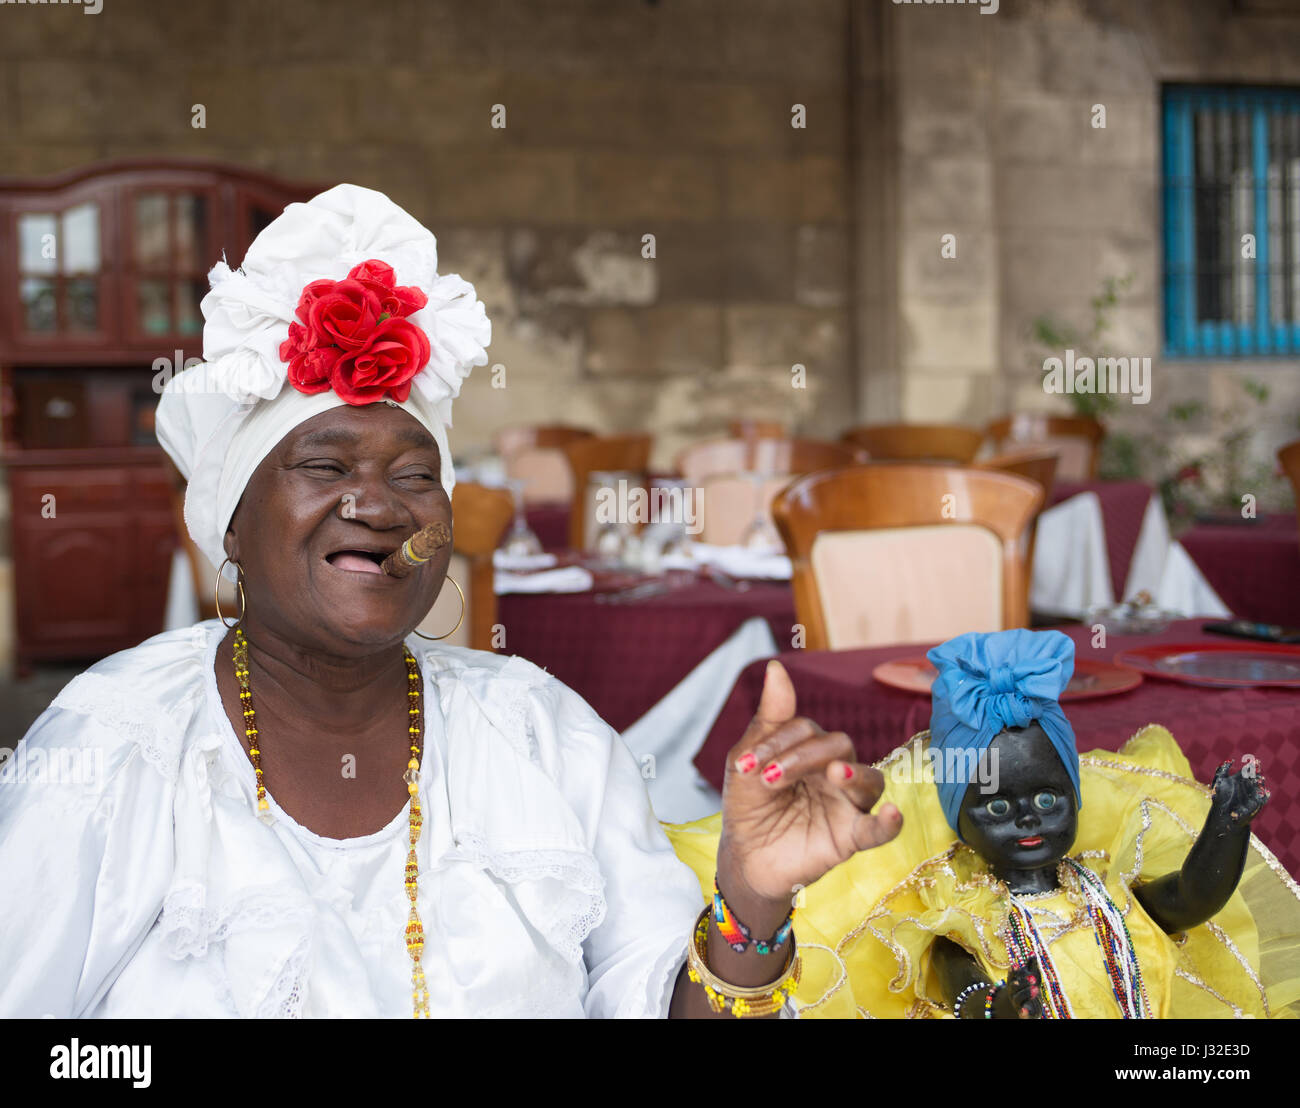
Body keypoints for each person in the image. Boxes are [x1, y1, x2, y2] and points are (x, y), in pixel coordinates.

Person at [0, 184, 902, 1018]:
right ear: (232, 526)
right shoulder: (119, 749)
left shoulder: (542, 735)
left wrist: (750, 903)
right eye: (323, 465)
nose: (379, 506)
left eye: (415, 475)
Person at [667, 629, 1300, 1018]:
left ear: (1078, 801)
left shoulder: (1106, 888)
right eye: (995, 808)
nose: (1026, 817)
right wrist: (991, 1007)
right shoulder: (958, 907)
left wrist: (1227, 825)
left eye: (1049, 801)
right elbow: (956, 978)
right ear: (956, 818)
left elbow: (1191, 899)